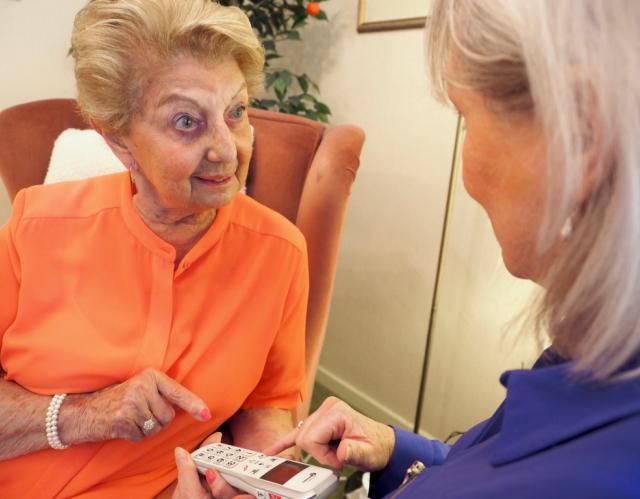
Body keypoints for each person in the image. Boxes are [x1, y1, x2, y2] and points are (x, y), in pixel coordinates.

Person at [175, 0, 640, 497]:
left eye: (465, 117)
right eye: (185, 121)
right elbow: (480, 464)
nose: (225, 150)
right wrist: (399, 449)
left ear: (581, 134)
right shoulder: (596, 360)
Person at [0, 0, 308, 497]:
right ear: (119, 141)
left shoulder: (279, 251)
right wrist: (85, 415)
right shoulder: (36, 225)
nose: (228, 149)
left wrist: (258, 482)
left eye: (236, 113)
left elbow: (267, 406)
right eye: (187, 122)